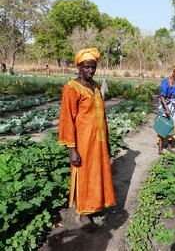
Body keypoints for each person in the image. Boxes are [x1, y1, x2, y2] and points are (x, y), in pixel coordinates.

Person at [58, 48, 116, 232]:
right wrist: (72, 149)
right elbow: (67, 120)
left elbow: (102, 116)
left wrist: (106, 139)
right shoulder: (71, 88)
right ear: (78, 67)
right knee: (84, 175)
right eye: (87, 67)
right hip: (82, 142)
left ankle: (95, 205)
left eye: (93, 67)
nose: (90, 71)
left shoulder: (96, 87)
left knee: (98, 173)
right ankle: (83, 213)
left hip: (97, 141)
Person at [157, 63, 175, 155]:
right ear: (174, 72)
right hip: (164, 104)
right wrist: (166, 108)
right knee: (163, 125)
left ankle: (169, 147)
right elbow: (162, 96)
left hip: (173, 106)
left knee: (172, 125)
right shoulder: (165, 81)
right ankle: (160, 147)